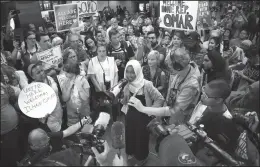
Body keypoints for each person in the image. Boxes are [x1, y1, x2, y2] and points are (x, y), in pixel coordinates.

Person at [128, 48, 201, 125]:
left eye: (169, 66)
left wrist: (143, 108)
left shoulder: (191, 85)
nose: (168, 69)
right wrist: (160, 115)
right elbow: (171, 94)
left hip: (179, 120)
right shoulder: (183, 68)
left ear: (178, 67)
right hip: (170, 113)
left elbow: (174, 110)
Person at [121, 60, 164, 166]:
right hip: (130, 115)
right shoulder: (126, 84)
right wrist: (122, 100)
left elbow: (160, 98)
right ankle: (131, 152)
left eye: (132, 72)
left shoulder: (147, 85)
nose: (129, 75)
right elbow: (125, 101)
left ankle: (142, 158)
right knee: (130, 134)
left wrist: (150, 111)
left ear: (138, 71)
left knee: (141, 138)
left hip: (143, 117)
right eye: (127, 72)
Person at [19, 117, 91, 166]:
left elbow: (67, 132)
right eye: (45, 144)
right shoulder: (31, 159)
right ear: (36, 146)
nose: (48, 141)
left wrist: (81, 122)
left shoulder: (45, 136)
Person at [58, 48, 90, 127]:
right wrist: (70, 84)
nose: (73, 58)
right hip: (72, 108)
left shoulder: (81, 66)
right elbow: (65, 97)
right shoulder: (63, 74)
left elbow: (86, 96)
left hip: (83, 103)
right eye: (71, 57)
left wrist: (83, 81)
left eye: (74, 56)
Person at [27, 62, 63, 132]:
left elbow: (56, 93)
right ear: (32, 77)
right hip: (49, 120)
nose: (41, 73)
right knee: (58, 136)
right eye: (38, 72)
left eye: (42, 70)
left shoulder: (49, 78)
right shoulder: (32, 89)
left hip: (59, 112)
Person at [1, 68, 20, 166]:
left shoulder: (1, 85)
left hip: (14, 128)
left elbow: (12, 97)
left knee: (14, 153)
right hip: (4, 132)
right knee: (7, 158)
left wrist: (10, 90)